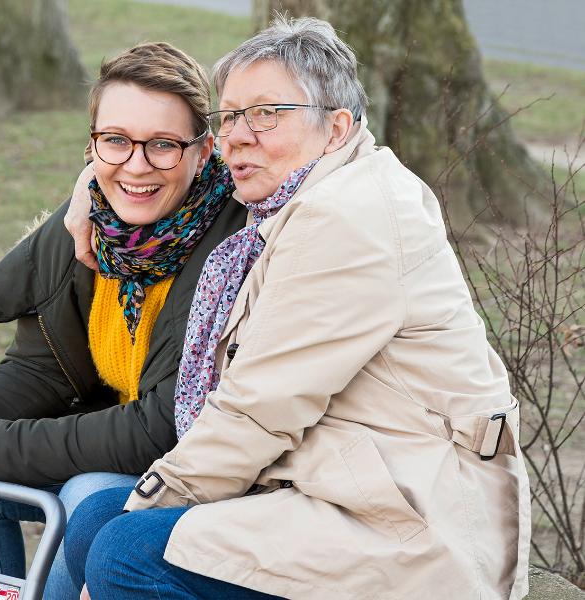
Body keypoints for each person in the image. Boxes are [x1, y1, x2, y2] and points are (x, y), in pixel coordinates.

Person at [63, 16, 530, 600]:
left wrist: (148, 504)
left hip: (409, 525)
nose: (237, 136)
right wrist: (89, 184)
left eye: (266, 114)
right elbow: (147, 156)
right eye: (229, 115)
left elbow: (261, 408)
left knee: (125, 550)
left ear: (335, 127)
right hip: (335, 487)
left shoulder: (345, 218)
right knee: (96, 517)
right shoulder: (302, 194)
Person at [0, 42, 247, 599]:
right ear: (91, 145)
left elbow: (162, 426)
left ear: (203, 150)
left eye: (164, 145)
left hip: (196, 465)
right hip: (115, 437)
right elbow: (44, 367)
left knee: (88, 494)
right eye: (116, 140)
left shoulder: (231, 248)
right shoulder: (85, 227)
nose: (136, 165)